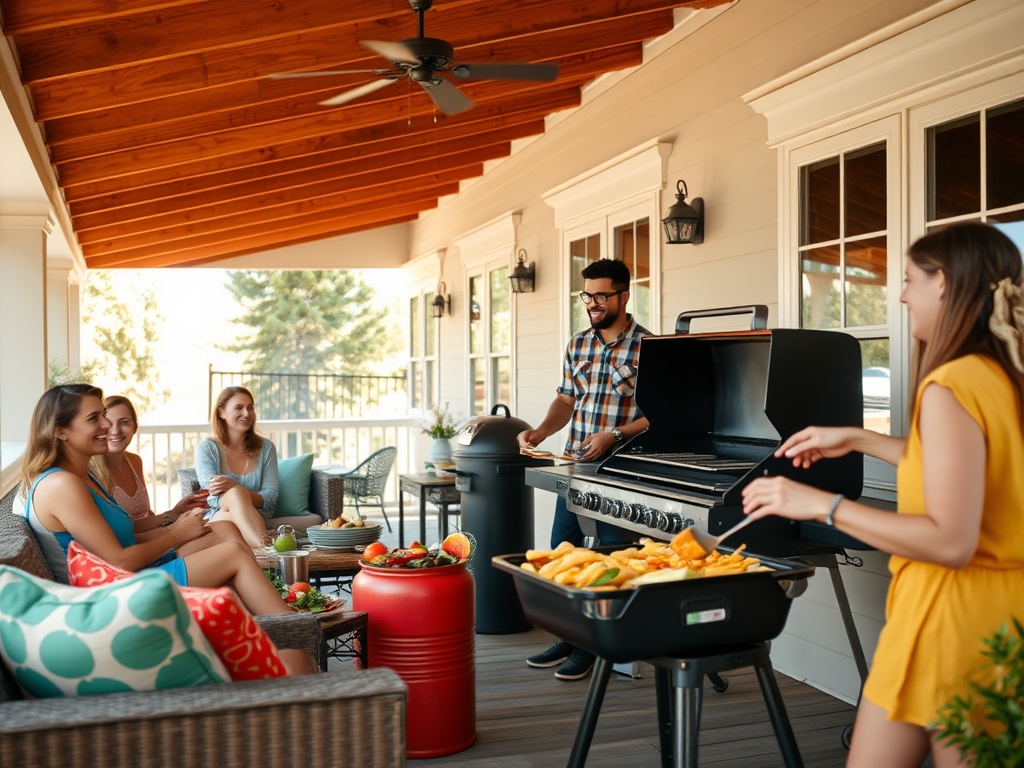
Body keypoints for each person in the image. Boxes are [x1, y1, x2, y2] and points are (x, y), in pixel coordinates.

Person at [741, 222, 1024, 768]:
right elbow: (962, 468)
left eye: (910, 280)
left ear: (943, 284)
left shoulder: (950, 386)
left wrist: (820, 505)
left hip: (952, 625)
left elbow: (950, 540)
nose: (900, 296)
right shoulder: (1002, 376)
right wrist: (859, 439)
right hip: (993, 621)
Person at [18, 384, 315, 673]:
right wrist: (176, 534)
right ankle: (290, 630)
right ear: (60, 431)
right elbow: (118, 560)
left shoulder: (81, 477)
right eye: (94, 418)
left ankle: (257, 624)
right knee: (234, 554)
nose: (107, 424)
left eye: (104, 415)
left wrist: (178, 523)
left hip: (127, 576)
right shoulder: (61, 485)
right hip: (115, 595)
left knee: (221, 529)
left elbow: (125, 534)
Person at [517, 258, 650, 680]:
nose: (592, 303)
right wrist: (540, 431)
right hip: (575, 467)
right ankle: (572, 637)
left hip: (622, 471)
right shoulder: (578, 344)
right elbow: (567, 401)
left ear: (623, 296)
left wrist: (615, 434)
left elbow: (661, 414)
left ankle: (595, 648)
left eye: (600, 295)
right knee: (564, 553)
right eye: (587, 295)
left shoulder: (651, 346)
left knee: (609, 559)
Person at [90, 395, 250, 553]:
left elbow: (143, 517)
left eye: (124, 422)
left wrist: (174, 513)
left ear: (134, 426)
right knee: (224, 537)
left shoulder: (134, 461)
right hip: (140, 548)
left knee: (225, 527)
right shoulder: (93, 472)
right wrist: (175, 529)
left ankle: (266, 565)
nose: (115, 430)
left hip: (156, 535)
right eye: (109, 423)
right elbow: (121, 531)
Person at [195, 386, 280, 548]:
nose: (247, 413)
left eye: (250, 408)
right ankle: (264, 548)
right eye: (239, 408)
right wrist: (236, 492)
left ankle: (263, 552)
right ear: (222, 413)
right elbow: (212, 495)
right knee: (232, 497)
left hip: (255, 516)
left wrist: (236, 488)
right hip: (219, 515)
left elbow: (270, 498)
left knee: (234, 493)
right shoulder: (206, 448)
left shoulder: (266, 448)